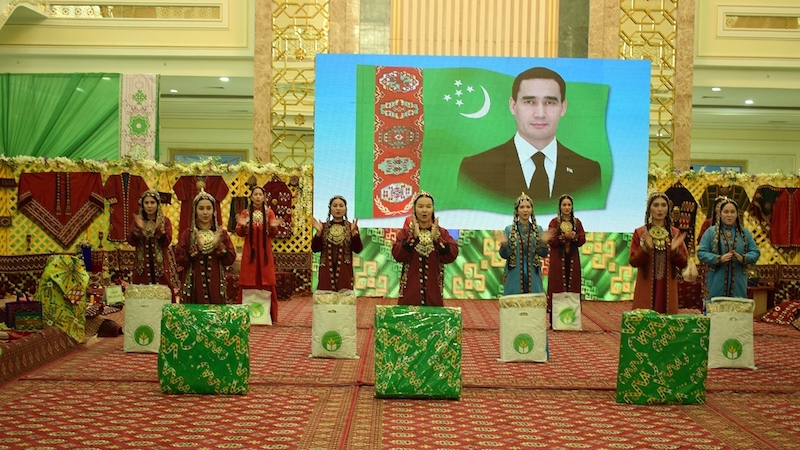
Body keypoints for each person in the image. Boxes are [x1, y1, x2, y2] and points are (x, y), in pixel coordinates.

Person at [458, 67, 601, 203]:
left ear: (563, 108)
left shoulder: (588, 172)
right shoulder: (476, 169)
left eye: (549, 102)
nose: (540, 114)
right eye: (530, 102)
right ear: (513, 106)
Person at [392, 191, 459, 306]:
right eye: (420, 206)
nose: (424, 210)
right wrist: (413, 238)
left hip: (434, 292)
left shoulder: (441, 233)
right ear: (414, 209)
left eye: (428, 206)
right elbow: (397, 255)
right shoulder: (405, 233)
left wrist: (437, 239)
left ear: (433, 209)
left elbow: (452, 255)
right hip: (410, 292)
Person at [629, 192, 689, 314]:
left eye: (663, 205)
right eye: (656, 205)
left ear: (668, 208)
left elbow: (683, 264)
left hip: (667, 287)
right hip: (646, 285)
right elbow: (633, 262)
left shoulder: (674, 233)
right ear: (649, 208)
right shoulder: (641, 233)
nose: (660, 209)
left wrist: (674, 251)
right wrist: (645, 248)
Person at [175, 190, 236, 304]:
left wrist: (219, 246)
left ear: (214, 211)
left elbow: (230, 259)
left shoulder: (221, 234)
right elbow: (179, 258)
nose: (205, 212)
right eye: (201, 208)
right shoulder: (188, 234)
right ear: (195, 211)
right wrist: (197, 248)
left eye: (208, 208)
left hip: (215, 283)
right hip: (194, 284)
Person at [697, 198, 760, 300]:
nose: (729, 215)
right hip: (716, 281)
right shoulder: (710, 232)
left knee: (737, 311)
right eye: (726, 212)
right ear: (720, 213)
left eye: (732, 212)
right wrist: (719, 259)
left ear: (737, 214)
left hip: (739, 282)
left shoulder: (744, 233)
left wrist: (743, 258)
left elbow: (755, 252)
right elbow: (701, 253)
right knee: (716, 312)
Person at [235, 185, 281, 323]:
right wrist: (242, 225)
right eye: (255, 194)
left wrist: (273, 227)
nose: (258, 197)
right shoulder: (245, 213)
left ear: (264, 197)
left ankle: (269, 315)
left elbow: (273, 234)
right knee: (249, 277)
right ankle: (244, 314)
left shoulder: (269, 213)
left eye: (260, 194)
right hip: (250, 252)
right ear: (251, 197)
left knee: (266, 278)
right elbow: (239, 232)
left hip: (265, 252)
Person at [497, 193, 553, 295]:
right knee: (514, 305)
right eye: (522, 207)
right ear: (517, 210)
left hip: (533, 275)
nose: (525, 210)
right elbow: (504, 255)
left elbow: (543, 254)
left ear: (532, 210)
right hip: (514, 275)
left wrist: (544, 243)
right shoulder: (509, 230)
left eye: (528, 207)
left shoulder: (538, 229)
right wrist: (504, 245)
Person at [127, 189, 177, 297]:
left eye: (152, 202)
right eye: (146, 203)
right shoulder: (138, 221)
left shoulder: (165, 221)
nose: (149, 206)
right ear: (143, 205)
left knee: (164, 293)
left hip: (160, 267)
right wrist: (139, 230)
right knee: (141, 296)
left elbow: (166, 242)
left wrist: (159, 230)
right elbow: (131, 241)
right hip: (142, 267)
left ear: (158, 204)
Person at [312, 195, 363, 291]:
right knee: (326, 300)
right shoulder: (323, 227)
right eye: (335, 206)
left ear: (345, 209)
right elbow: (315, 249)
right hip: (326, 269)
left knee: (344, 300)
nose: (338, 208)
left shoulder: (351, 227)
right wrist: (318, 234)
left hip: (345, 271)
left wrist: (354, 235)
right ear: (330, 209)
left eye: (341, 206)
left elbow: (358, 249)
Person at [546, 194, 586, 309]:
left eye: (569, 205)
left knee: (573, 284)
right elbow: (550, 240)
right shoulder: (554, 222)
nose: (567, 207)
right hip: (558, 260)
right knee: (557, 284)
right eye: (564, 205)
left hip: (573, 259)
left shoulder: (577, 222)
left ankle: (572, 316)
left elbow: (582, 239)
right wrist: (562, 237)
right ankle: (555, 315)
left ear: (572, 207)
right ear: (560, 207)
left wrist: (575, 237)